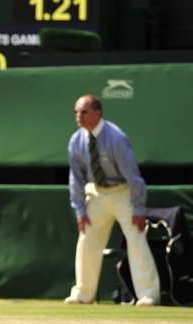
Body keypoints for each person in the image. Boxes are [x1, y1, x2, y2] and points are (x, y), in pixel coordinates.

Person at [64, 94, 160, 306]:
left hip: (123, 192)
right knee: (87, 239)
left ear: (98, 113)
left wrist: (138, 208)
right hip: (96, 193)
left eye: (83, 112)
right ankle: (83, 294)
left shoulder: (115, 137)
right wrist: (80, 211)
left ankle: (149, 294)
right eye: (76, 112)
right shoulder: (76, 141)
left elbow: (133, 176)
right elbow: (76, 179)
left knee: (136, 238)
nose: (78, 116)